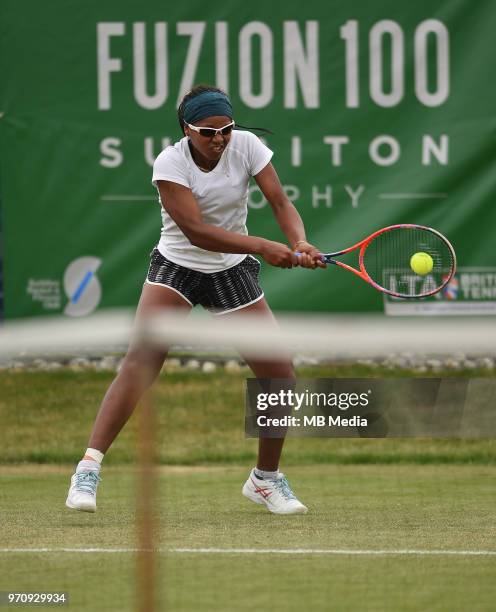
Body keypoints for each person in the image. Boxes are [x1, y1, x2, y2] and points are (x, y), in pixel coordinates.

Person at [66, 84, 324, 515]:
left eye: (225, 129)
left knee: (279, 374)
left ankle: (265, 480)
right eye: (208, 132)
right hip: (177, 269)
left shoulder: (247, 146)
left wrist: (299, 240)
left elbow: (279, 200)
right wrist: (262, 245)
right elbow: (196, 232)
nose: (219, 139)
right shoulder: (170, 162)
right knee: (140, 364)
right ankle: (87, 470)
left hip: (231, 271)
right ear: (187, 129)